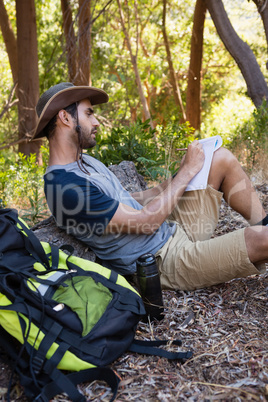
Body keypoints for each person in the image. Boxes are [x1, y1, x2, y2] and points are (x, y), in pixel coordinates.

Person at [32, 82, 268, 291]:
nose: (96, 122)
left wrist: (184, 173)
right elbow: (145, 223)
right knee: (263, 240)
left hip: (173, 230)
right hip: (165, 262)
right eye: (89, 114)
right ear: (65, 118)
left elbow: (127, 200)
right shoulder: (64, 188)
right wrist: (185, 173)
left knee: (219, 158)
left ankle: (263, 222)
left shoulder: (83, 162)